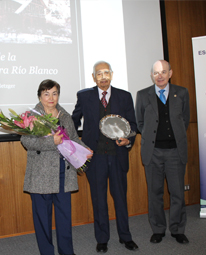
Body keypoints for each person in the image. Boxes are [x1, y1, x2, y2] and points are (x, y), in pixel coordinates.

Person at [72, 61, 138, 253]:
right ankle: (102, 239)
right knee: (99, 200)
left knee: (120, 199)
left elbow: (132, 126)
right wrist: (77, 147)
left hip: (118, 156)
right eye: (99, 74)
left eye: (106, 73)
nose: (103, 77)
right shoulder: (84, 96)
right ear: (94, 77)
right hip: (95, 157)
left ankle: (125, 237)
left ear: (112, 74)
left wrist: (128, 139)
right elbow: (73, 123)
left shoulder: (124, 97)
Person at [21, 79, 93, 255]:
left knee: (64, 219)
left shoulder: (65, 116)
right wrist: (50, 142)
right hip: (41, 176)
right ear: (40, 96)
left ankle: (67, 252)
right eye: (46, 94)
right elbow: (26, 141)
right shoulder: (31, 116)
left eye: (54, 93)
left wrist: (85, 150)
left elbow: (73, 139)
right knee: (42, 221)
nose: (51, 97)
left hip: (64, 174)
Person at [135, 60, 190, 244]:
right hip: (153, 152)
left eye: (163, 72)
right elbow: (140, 123)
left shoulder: (181, 93)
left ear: (170, 73)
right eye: (156, 72)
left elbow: (185, 119)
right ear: (152, 75)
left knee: (177, 194)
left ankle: (177, 229)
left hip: (175, 152)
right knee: (155, 193)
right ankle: (158, 229)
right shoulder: (143, 95)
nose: (160, 75)